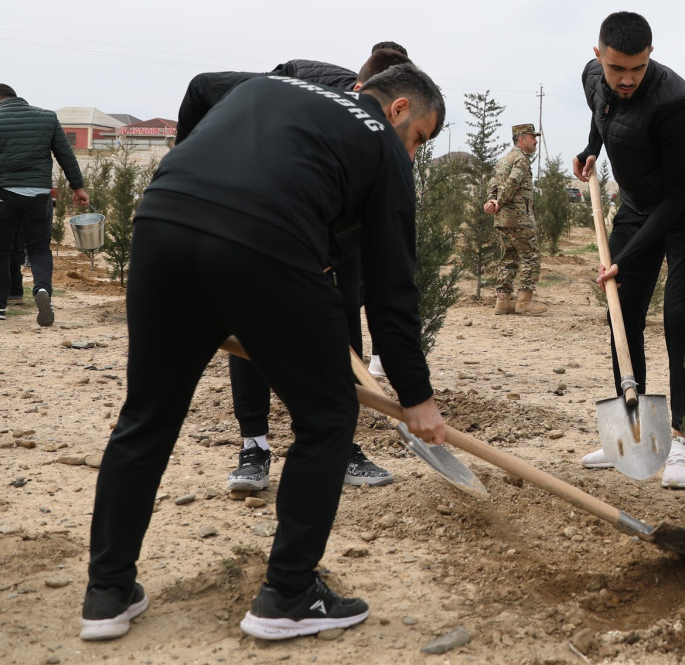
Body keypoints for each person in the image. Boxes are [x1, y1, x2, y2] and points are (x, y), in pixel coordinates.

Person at [82, 62, 447, 642]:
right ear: (399, 108)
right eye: (421, 139)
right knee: (328, 416)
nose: (414, 154)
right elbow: (391, 288)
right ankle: (289, 593)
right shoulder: (381, 142)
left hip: (162, 221)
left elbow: (201, 86)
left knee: (147, 415)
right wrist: (417, 396)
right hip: (264, 243)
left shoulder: (264, 86)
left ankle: (106, 592)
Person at [176, 47, 410, 492]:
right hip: (264, 220)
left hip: (334, 222)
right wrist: (183, 161)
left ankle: (342, 446)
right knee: (249, 328)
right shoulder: (288, 92)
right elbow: (202, 87)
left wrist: (328, 256)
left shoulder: (384, 136)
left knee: (342, 324)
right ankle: (254, 446)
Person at [574, 11, 685, 489]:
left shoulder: (675, 105)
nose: (628, 79)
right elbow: (602, 114)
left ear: (650, 56)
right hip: (638, 203)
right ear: (600, 57)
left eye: (638, 68)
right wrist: (592, 147)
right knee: (624, 309)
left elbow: (677, 196)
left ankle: (681, 437)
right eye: (618, 69)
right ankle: (632, 429)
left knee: (679, 316)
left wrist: (626, 253)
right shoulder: (595, 77)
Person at [0, 84, 89, 325]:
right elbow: (65, 154)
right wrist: (77, 187)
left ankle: (1, 306)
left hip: (4, 193)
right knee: (39, 249)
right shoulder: (47, 117)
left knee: (2, 249)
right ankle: (42, 290)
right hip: (39, 195)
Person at [485, 123, 546, 315]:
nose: (536, 141)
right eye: (532, 137)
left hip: (503, 220)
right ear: (521, 139)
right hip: (519, 219)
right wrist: (498, 203)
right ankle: (524, 302)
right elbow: (512, 182)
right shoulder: (521, 159)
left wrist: (492, 202)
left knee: (508, 258)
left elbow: (493, 183)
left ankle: (502, 302)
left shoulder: (504, 159)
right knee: (531, 257)